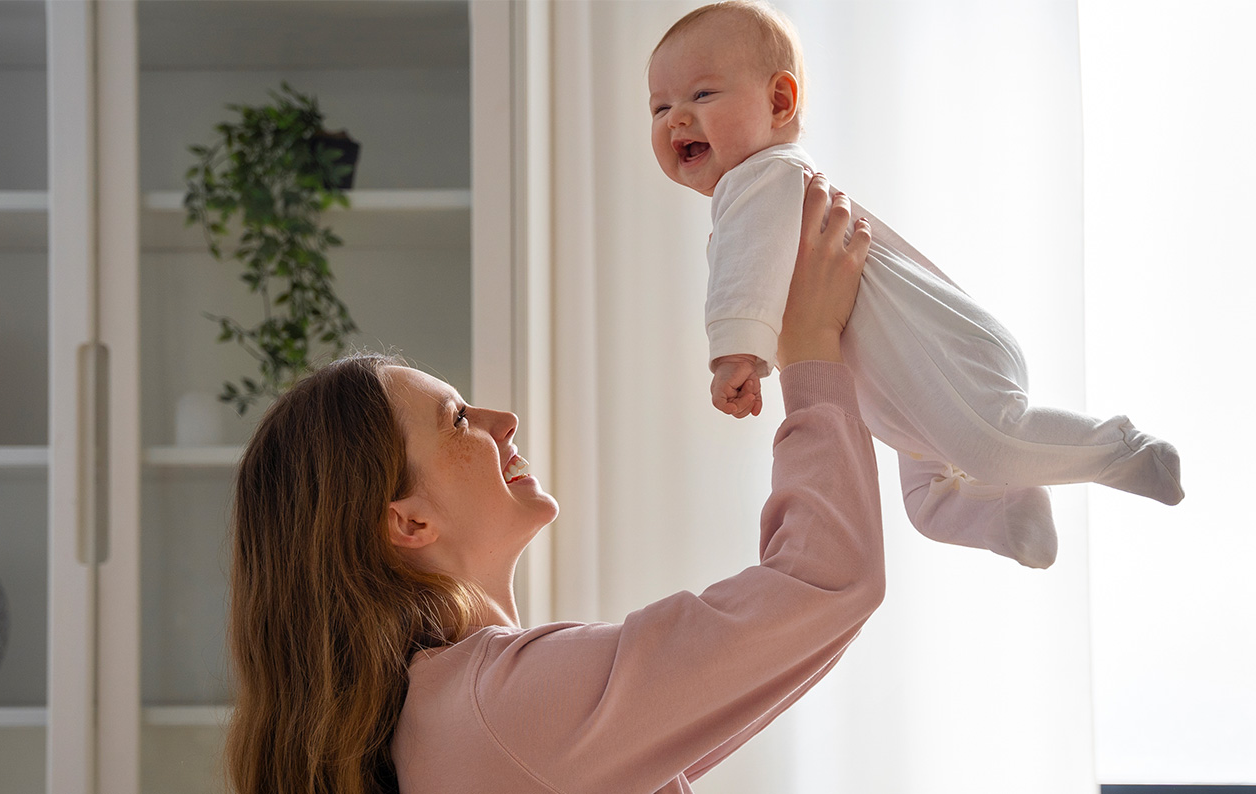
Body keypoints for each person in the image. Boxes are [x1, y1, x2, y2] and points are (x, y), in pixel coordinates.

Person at [226, 179, 884, 793]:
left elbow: (802, 631)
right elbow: (825, 582)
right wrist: (811, 347)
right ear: (408, 522)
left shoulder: (451, 721)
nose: (502, 421)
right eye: (457, 420)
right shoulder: (502, 709)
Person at [647, 0, 1184, 570]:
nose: (676, 118)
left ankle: (1122, 451)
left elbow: (745, 274)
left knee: (988, 446)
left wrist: (736, 353)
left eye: (702, 95)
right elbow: (756, 269)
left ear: (779, 101)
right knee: (928, 505)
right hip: (906, 392)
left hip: (942, 356)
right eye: (659, 107)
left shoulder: (762, 175)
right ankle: (1014, 514)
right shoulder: (766, 192)